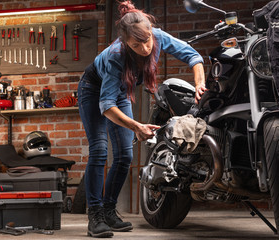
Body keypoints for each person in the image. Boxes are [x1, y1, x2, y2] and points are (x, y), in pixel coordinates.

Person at [77, 0, 206, 238]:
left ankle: (108, 211)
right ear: (126, 42)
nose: (145, 48)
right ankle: (94, 216)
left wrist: (200, 83)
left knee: (125, 154)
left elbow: (193, 56)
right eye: (136, 45)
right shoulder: (116, 56)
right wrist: (136, 126)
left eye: (147, 41)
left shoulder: (155, 36)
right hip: (93, 91)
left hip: (119, 93)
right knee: (99, 150)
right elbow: (106, 105)